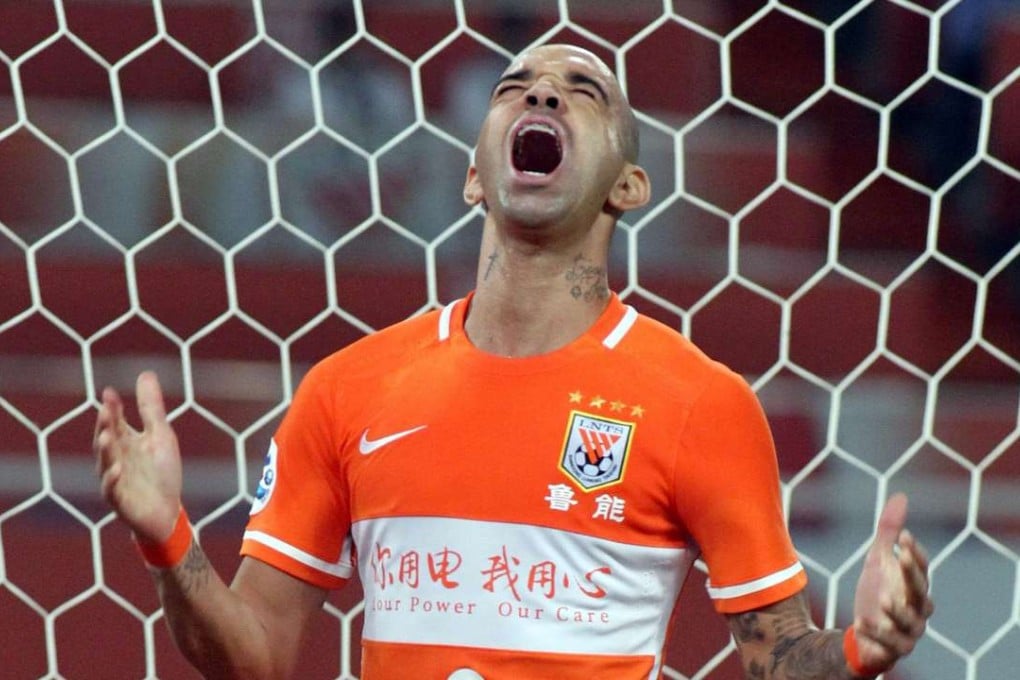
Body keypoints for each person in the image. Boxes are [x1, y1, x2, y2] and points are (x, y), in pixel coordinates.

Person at [94, 44, 934, 679]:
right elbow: (257, 654)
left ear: (628, 186)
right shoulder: (348, 390)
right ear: (472, 177)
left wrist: (865, 646)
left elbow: (777, 656)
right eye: (516, 88)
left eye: (584, 92)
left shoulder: (698, 404)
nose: (543, 92)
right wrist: (168, 537)